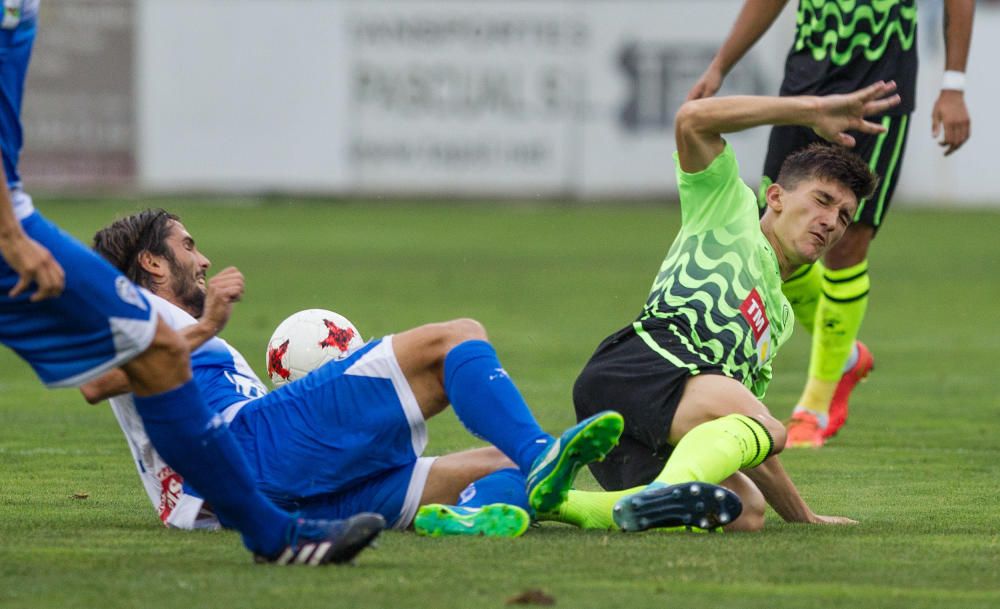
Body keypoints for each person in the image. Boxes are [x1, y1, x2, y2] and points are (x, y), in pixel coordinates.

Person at [0, 2, 384, 565]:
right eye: (186, 246)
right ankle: (274, 533)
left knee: (154, 349)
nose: (200, 259)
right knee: (150, 348)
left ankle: (274, 535)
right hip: (12, 221)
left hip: (16, 214)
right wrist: (10, 235)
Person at [83, 209, 626, 538]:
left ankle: (478, 510)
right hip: (251, 449)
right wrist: (207, 328)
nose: (201, 260)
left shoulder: (165, 324)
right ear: (152, 263)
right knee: (455, 338)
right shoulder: (139, 311)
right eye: (188, 245)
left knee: (498, 464)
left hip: (255, 498)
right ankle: (543, 457)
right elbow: (97, 381)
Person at [555, 83, 899, 533]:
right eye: (822, 200)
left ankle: (563, 503)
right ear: (775, 197)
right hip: (638, 367)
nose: (832, 222)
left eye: (845, 216)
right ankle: (652, 496)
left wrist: (803, 517)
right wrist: (809, 109)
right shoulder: (727, 207)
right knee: (771, 429)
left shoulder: (780, 318)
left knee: (744, 511)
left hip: (647, 432)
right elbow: (692, 118)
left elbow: (744, 435)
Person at [687, 0, 975, 447]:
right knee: (778, 235)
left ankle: (814, 407)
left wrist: (953, 85)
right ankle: (843, 359)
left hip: (882, 88)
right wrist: (720, 65)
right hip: (805, 87)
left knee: (842, 244)